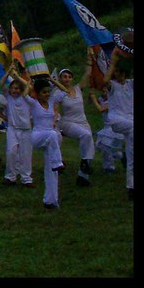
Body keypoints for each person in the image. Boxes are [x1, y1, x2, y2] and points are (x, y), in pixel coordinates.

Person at [17, 73, 66, 209]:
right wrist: (30, 81)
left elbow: (65, 91)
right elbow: (24, 95)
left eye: (48, 92)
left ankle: (51, 200)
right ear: (37, 93)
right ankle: (58, 162)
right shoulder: (33, 103)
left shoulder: (51, 102)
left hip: (49, 141)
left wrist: (51, 80)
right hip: (38, 136)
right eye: (44, 92)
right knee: (53, 134)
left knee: (51, 170)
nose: (47, 95)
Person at [49, 52, 96, 187]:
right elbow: (55, 109)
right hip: (68, 122)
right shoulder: (59, 93)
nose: (67, 79)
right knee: (86, 136)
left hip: (83, 121)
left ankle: (83, 176)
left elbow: (88, 74)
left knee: (89, 143)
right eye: (64, 76)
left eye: (69, 77)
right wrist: (54, 122)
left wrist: (89, 59)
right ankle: (85, 164)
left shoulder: (78, 88)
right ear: (60, 78)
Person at [103, 49, 133, 200]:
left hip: (130, 123)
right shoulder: (113, 86)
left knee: (132, 154)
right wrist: (113, 62)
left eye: (121, 72)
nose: (118, 75)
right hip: (116, 120)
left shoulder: (130, 84)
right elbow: (105, 81)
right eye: (117, 72)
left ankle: (131, 187)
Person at [1, 74, 34, 187]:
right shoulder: (8, 97)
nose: (14, 90)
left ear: (21, 90)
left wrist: (17, 77)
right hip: (12, 129)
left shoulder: (25, 97)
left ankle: (26, 178)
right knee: (11, 152)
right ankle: (10, 176)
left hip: (26, 130)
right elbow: (1, 84)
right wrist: (9, 71)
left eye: (17, 88)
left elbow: (28, 86)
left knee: (25, 154)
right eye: (12, 88)